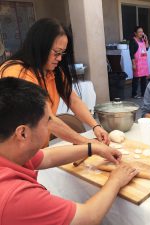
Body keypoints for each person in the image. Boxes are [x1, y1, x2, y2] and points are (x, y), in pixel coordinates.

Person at [0, 77, 138, 225]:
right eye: (48, 121)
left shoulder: (12, 152)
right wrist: (115, 181)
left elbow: (47, 157)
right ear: (22, 133)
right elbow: (88, 217)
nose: (51, 126)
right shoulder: (16, 196)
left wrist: (93, 148)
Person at [0, 18, 109, 146]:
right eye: (56, 53)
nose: (60, 58)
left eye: (62, 53)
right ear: (40, 47)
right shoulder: (17, 72)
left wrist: (95, 126)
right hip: (14, 154)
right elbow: (47, 119)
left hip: (36, 150)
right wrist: (86, 143)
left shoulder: (52, 71)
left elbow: (73, 99)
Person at [129, 26, 150, 98]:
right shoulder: (133, 41)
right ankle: (134, 94)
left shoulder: (143, 40)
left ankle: (143, 93)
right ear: (135, 33)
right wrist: (133, 64)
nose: (141, 33)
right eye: (139, 32)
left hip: (143, 63)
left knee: (144, 79)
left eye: (142, 31)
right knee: (136, 79)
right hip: (137, 63)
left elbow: (147, 48)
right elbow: (131, 53)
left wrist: (146, 40)